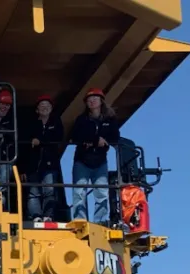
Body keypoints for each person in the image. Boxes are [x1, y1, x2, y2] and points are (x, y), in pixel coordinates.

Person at [71, 88, 120, 224]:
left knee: (101, 194)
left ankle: (101, 221)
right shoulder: (81, 120)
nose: (91, 101)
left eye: (95, 99)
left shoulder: (110, 120)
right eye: (89, 100)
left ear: (101, 101)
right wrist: (96, 140)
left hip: (100, 162)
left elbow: (115, 137)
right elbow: (75, 136)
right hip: (82, 160)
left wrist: (103, 142)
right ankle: (80, 220)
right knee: (79, 192)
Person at [26, 95, 65, 222]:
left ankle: (48, 216)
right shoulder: (30, 123)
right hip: (33, 163)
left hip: (50, 163)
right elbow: (25, 143)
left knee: (49, 190)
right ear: (37, 109)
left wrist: (40, 141)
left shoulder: (56, 122)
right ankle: (36, 216)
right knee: (33, 193)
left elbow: (58, 138)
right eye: (42, 105)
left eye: (47, 105)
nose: (45, 108)